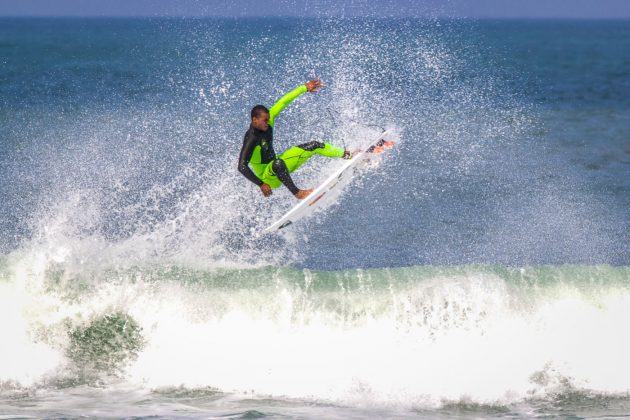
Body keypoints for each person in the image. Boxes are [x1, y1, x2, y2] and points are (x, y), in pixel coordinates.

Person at [237, 79, 352, 200]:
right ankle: (299, 194)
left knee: (314, 145)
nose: (267, 123)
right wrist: (261, 184)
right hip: (268, 177)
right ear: (254, 120)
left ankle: (347, 155)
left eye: (268, 119)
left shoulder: (268, 120)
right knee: (277, 164)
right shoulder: (251, 138)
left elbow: (283, 102)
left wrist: (304, 88)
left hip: (279, 168)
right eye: (264, 120)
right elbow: (242, 166)